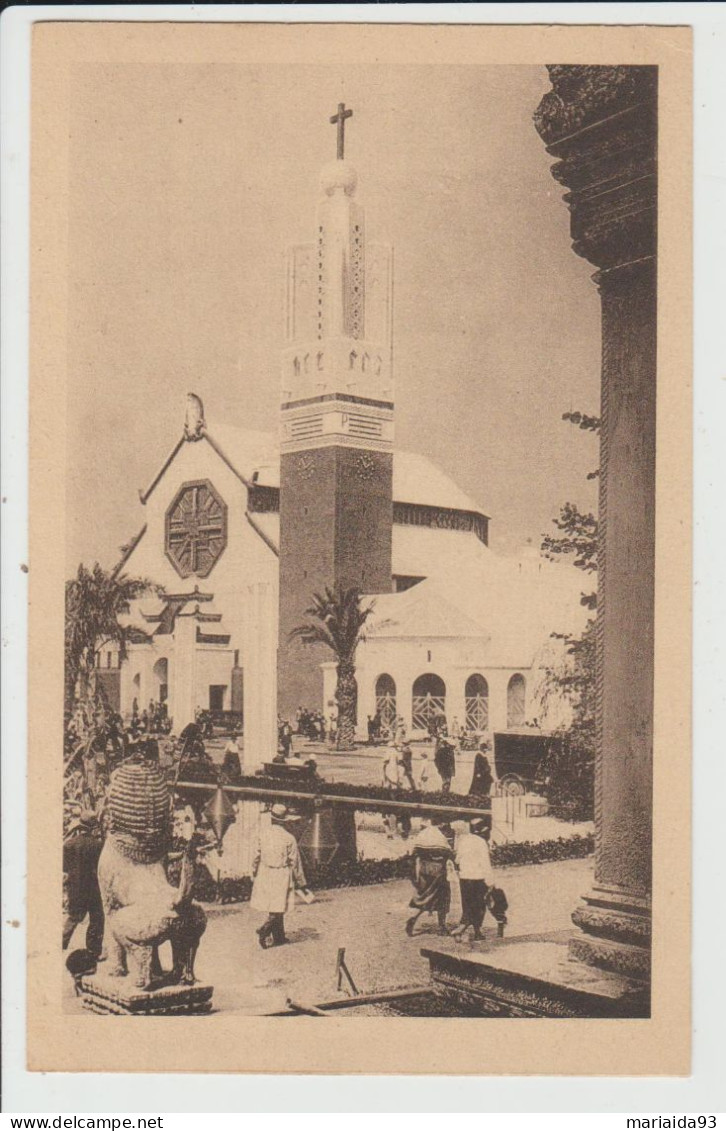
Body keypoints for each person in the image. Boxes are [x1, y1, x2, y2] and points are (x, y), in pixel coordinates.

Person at [251, 804, 306, 948]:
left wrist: (254, 871)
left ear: (272, 819)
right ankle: (265, 929)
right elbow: (295, 861)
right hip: (281, 873)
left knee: (274, 905)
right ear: (284, 821)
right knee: (279, 906)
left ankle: (279, 937)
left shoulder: (262, 835)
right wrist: (300, 880)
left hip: (265, 872)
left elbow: (256, 856)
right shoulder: (289, 838)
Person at [62, 810, 104, 959]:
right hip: (93, 889)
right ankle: (93, 950)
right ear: (93, 827)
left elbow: (64, 868)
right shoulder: (98, 846)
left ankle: (61, 943)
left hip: (75, 888)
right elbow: (100, 869)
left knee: (73, 917)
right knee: (97, 918)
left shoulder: (69, 845)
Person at [406, 818, 454, 936]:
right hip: (438, 871)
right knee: (443, 897)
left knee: (424, 897)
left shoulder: (422, 835)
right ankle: (442, 926)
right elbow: (448, 853)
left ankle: (413, 918)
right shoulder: (439, 836)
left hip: (423, 870)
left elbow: (414, 854)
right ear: (440, 823)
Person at [451, 819, 493, 940]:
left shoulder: (463, 841)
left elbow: (457, 860)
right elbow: (486, 864)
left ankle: (473, 932)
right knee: (479, 906)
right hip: (478, 878)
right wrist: (490, 882)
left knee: (467, 905)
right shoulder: (481, 842)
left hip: (465, 878)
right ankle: (466, 930)